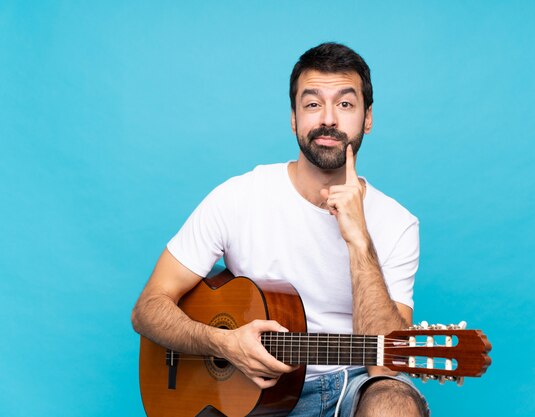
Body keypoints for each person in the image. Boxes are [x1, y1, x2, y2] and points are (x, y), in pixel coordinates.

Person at [132, 42, 429, 417]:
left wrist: (358, 239)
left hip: (352, 387)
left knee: (395, 402)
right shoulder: (239, 197)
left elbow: (387, 365)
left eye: (345, 104)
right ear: (293, 117)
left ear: (368, 118)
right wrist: (224, 344)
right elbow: (147, 309)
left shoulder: (398, 224)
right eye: (312, 104)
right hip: (247, 394)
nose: (329, 119)